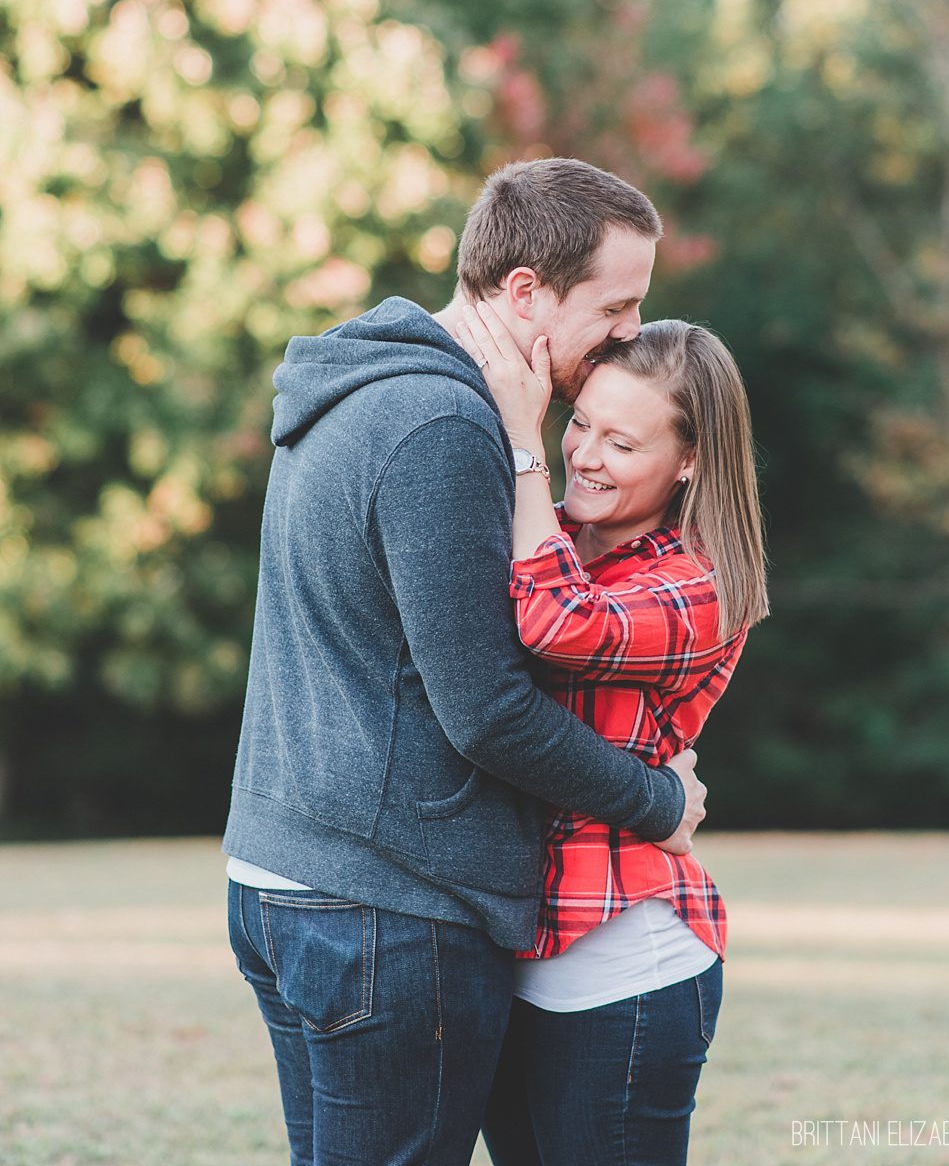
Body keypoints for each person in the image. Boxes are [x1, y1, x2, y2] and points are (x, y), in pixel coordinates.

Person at [222, 158, 707, 1166]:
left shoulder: (361, 388)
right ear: (523, 289)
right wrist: (655, 798)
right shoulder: (444, 424)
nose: (628, 332)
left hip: (285, 871)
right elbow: (484, 707)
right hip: (388, 908)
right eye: (613, 305)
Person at [452, 302, 768, 1166]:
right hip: (514, 947)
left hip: (621, 961)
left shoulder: (699, 583)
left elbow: (558, 625)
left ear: (691, 460)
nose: (584, 455)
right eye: (578, 423)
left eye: (622, 445)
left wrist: (520, 439)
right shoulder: (553, 533)